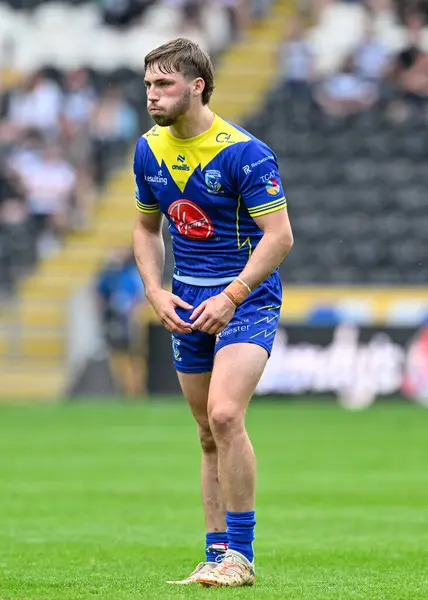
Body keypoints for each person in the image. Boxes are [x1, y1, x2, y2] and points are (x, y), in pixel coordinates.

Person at [133, 37, 293, 587]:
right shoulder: (148, 150)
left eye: (164, 84)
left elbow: (280, 237)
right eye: (149, 84)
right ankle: (215, 552)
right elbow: (145, 227)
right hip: (186, 302)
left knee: (226, 415)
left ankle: (241, 558)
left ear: (196, 85)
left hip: (245, 300)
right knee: (206, 431)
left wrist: (231, 296)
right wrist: (155, 291)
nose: (152, 95)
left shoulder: (246, 152)